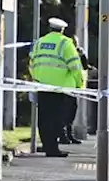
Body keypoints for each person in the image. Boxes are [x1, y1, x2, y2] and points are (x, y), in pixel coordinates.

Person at [28, 17, 84, 157]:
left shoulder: (39, 42)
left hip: (41, 85)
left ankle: (48, 147)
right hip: (60, 88)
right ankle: (53, 149)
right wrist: (79, 84)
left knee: (44, 118)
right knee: (58, 119)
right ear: (62, 30)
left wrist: (36, 78)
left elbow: (32, 63)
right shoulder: (66, 43)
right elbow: (75, 66)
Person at [60, 44, 91, 145]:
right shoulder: (67, 52)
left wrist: (82, 56)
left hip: (74, 86)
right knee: (65, 113)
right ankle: (63, 136)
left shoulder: (78, 53)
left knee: (72, 112)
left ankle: (69, 134)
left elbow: (84, 67)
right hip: (66, 86)